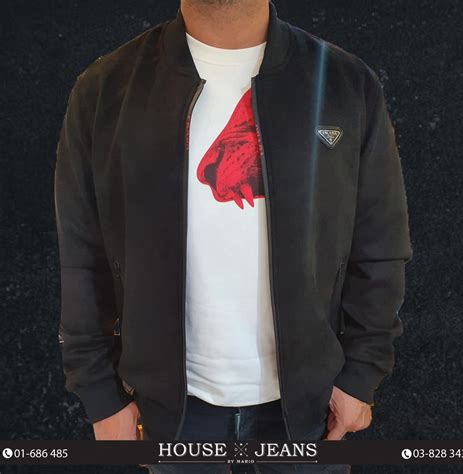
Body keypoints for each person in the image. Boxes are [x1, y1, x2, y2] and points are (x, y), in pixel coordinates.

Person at [54, 0, 413, 472]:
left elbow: (380, 245)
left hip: (311, 412)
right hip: (167, 415)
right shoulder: (104, 88)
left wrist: (361, 375)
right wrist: (102, 396)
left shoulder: (346, 82)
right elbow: (82, 255)